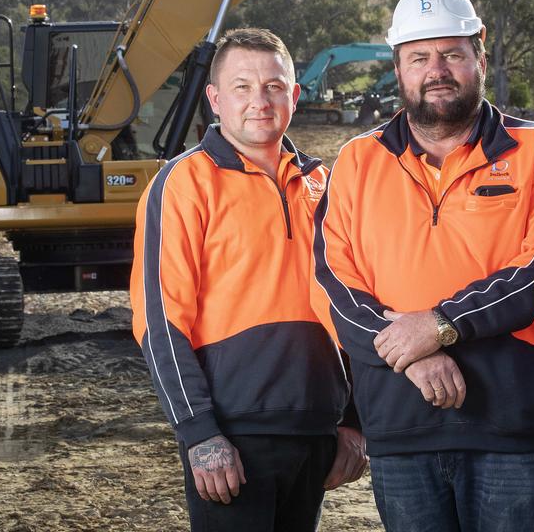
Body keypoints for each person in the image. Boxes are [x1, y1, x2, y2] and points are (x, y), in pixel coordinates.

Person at [312, 0, 534, 532]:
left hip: (509, 424)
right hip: (399, 426)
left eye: (452, 54)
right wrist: (410, 352)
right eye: (419, 57)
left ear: (478, 55)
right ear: (398, 67)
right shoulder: (357, 162)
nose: (437, 69)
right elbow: (330, 283)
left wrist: (440, 326)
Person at [130, 28, 367, 531]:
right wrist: (198, 432)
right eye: (242, 87)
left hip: (317, 428)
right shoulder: (183, 183)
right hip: (232, 434)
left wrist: (352, 421)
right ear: (214, 98)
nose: (260, 101)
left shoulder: (326, 186)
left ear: (295, 96)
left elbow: (357, 304)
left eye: (274, 86)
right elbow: (160, 319)